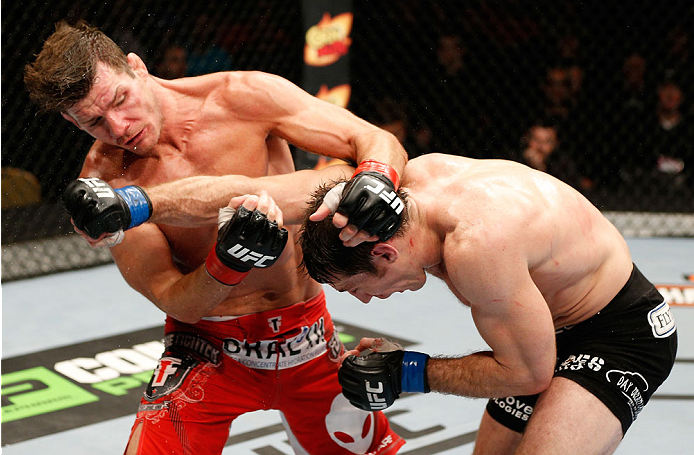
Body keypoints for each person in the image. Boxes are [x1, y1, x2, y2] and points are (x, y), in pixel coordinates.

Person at [24, 20, 408, 454]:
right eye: (94, 121)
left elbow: (373, 138)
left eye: (120, 100)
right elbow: (171, 297)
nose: (118, 127)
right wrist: (228, 262)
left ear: (136, 67)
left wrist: (377, 177)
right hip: (205, 350)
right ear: (70, 120)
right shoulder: (106, 186)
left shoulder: (242, 96)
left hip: (310, 338)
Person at [298, 153, 677, 454]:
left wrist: (406, 371)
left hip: (619, 334)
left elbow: (528, 374)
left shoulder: (475, 246)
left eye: (356, 288)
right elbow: (367, 152)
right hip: (542, 332)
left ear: (384, 254)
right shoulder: (413, 182)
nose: (365, 301)